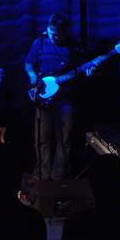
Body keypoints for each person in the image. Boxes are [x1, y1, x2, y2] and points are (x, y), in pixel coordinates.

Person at [24, 13, 91, 180]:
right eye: (51, 32)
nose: (53, 36)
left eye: (57, 34)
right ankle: (42, 174)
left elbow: (82, 70)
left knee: (64, 140)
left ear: (65, 32)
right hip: (44, 97)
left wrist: (88, 70)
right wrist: (32, 77)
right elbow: (29, 62)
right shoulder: (40, 42)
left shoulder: (74, 48)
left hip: (66, 98)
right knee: (42, 139)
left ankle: (59, 176)